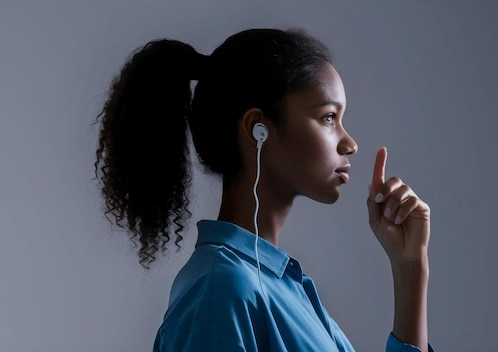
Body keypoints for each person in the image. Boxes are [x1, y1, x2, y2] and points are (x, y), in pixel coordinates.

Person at [95, 28, 434, 352]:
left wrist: (410, 266)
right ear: (258, 129)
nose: (350, 144)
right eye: (329, 117)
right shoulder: (222, 289)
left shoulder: (282, 285)